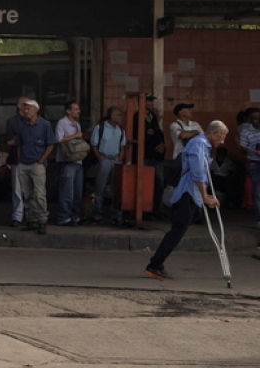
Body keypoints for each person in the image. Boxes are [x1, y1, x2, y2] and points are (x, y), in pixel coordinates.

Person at [145, 120, 225, 280]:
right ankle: (155, 265)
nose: (222, 142)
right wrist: (205, 197)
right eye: (221, 137)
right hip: (187, 194)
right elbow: (198, 172)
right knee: (177, 230)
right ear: (213, 133)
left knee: (180, 227)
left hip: (191, 195)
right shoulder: (199, 144)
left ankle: (156, 264)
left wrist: (206, 196)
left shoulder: (203, 145)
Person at [15, 99, 54, 234]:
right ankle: (31, 220)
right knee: (27, 194)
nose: (26, 111)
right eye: (25, 109)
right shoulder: (23, 126)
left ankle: (42, 221)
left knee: (39, 194)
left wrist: (42, 159)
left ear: (36, 110)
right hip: (24, 163)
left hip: (37, 163)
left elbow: (50, 144)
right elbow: (19, 144)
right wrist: (20, 159)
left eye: (28, 109)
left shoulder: (45, 125)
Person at [89, 107, 128, 225]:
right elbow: (94, 144)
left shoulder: (120, 129)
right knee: (100, 189)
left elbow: (122, 146)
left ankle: (116, 216)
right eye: (118, 115)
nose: (120, 117)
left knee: (116, 189)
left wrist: (120, 158)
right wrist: (100, 157)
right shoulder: (100, 127)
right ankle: (98, 216)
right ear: (111, 116)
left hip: (116, 160)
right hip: (104, 159)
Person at [54, 101, 85, 226]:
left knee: (77, 191)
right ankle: (63, 216)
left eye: (78, 109)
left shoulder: (77, 124)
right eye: (75, 109)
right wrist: (75, 135)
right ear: (68, 111)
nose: (78, 111)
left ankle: (75, 216)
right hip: (66, 161)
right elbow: (59, 139)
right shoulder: (62, 123)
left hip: (78, 160)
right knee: (67, 191)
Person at [2, 96, 31, 227]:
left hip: (33, 159)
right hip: (17, 159)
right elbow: (8, 141)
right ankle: (17, 216)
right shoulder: (12, 122)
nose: (27, 106)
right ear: (18, 106)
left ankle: (31, 216)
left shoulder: (34, 120)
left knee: (33, 189)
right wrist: (23, 140)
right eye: (24, 104)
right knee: (17, 189)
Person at [238, 108, 260, 228]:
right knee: (257, 192)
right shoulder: (246, 132)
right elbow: (241, 149)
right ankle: (259, 219)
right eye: (253, 119)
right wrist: (246, 149)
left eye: (257, 119)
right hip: (255, 163)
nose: (255, 121)